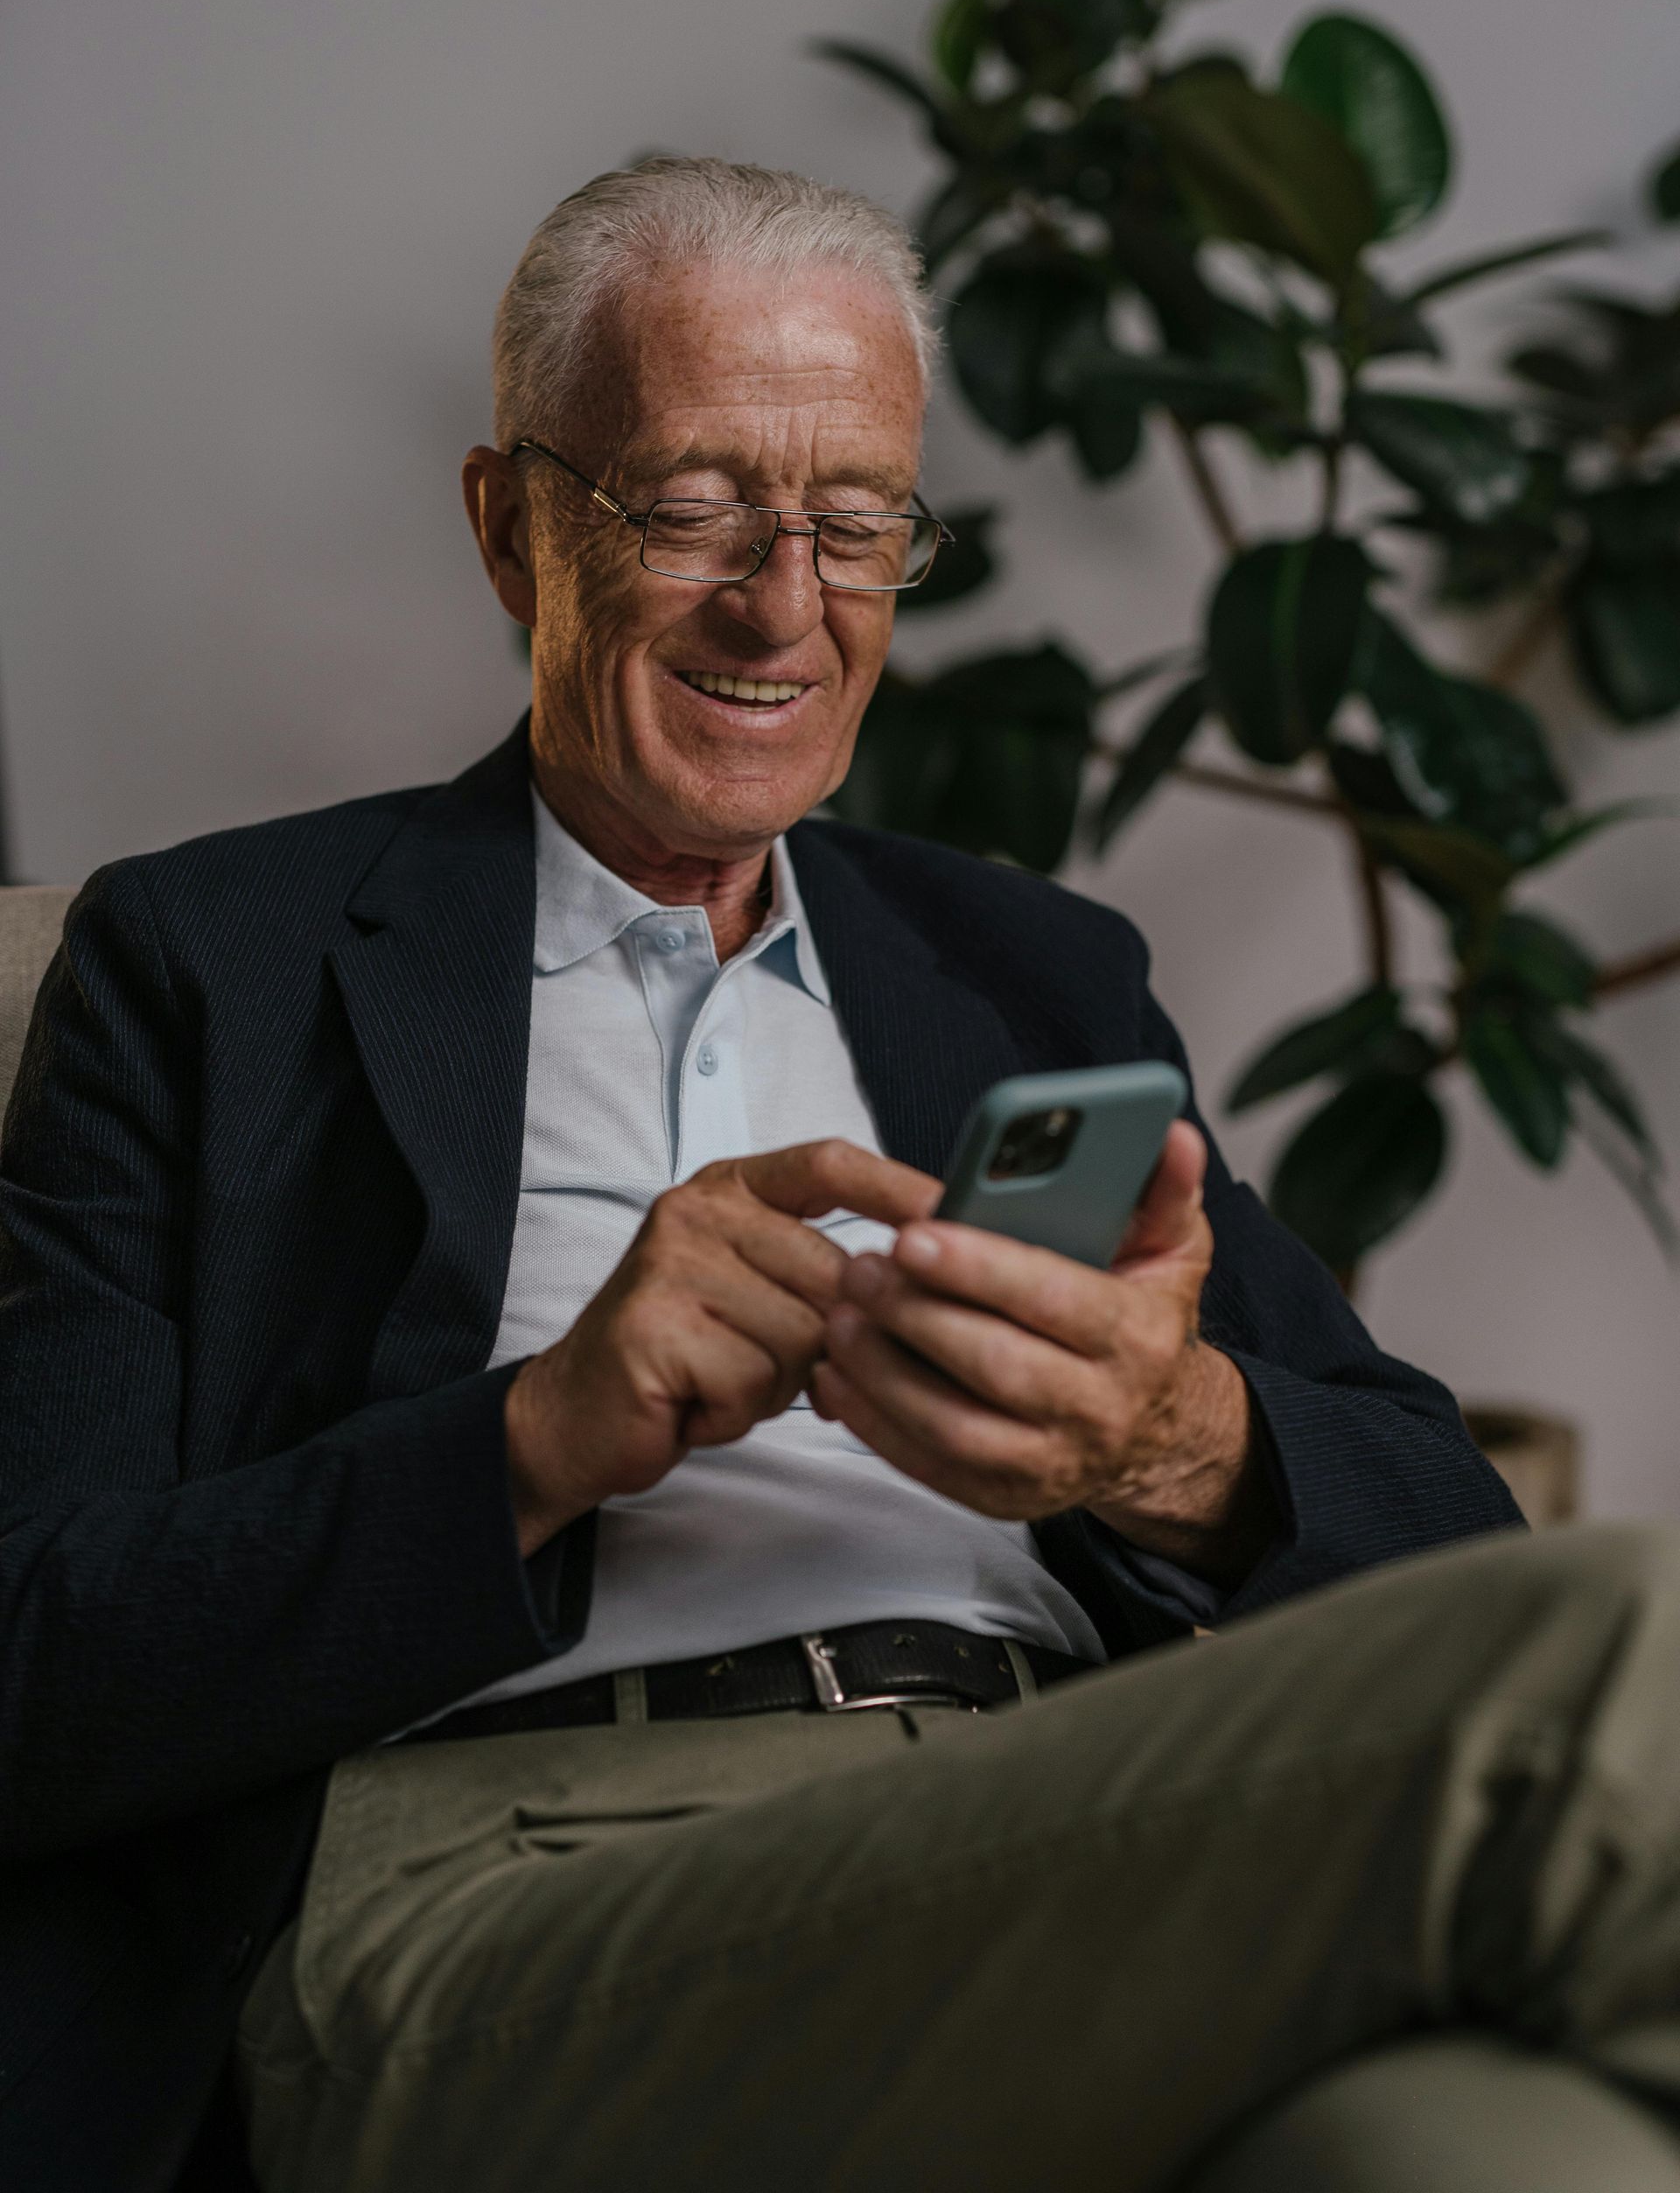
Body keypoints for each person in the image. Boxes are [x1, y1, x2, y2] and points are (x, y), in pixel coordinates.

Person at [2, 156, 1676, 2193]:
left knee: (1519, 2157)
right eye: (693, 505)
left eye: (858, 520)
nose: (784, 603)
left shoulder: (1032, 967)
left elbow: (1455, 1540)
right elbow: (31, 1663)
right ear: (512, 529)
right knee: (1642, 1649)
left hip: (1073, 1814)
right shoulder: (215, 964)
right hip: (512, 1889)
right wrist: (537, 1436)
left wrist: (1165, 1439)